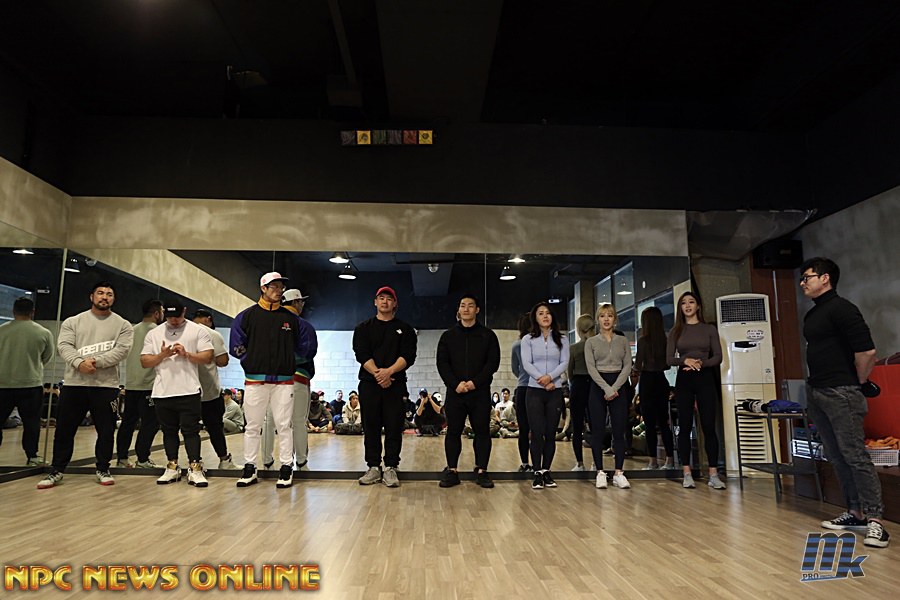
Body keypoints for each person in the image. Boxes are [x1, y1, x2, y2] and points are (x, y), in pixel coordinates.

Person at [801, 257, 888, 548]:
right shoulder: (813, 315)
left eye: (807, 277)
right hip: (817, 391)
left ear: (825, 278)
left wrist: (858, 382)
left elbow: (867, 352)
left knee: (855, 456)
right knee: (836, 455)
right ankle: (855, 512)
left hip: (842, 392)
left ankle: (875, 521)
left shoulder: (843, 309)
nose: (803, 283)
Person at [38, 281, 133, 489]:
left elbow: (122, 350)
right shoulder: (73, 321)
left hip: (106, 386)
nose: (104, 297)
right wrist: (79, 363)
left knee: (106, 431)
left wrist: (96, 362)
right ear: (92, 296)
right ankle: (57, 470)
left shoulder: (123, 325)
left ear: (113, 299)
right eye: (100, 293)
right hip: (74, 385)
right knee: (64, 430)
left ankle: (103, 468)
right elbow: (64, 345)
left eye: (109, 294)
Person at [230, 272, 315, 489]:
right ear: (263, 288)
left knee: (284, 425)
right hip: (254, 380)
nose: (278, 290)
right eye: (274, 286)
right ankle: (250, 467)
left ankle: (286, 467)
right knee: (253, 426)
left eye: (281, 287)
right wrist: (251, 361)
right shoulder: (246, 316)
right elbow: (236, 345)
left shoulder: (292, 320)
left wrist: (287, 360)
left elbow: (305, 348)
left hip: (284, 381)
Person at [141, 301, 214, 487]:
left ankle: (195, 467)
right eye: (170, 316)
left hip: (189, 390)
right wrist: (162, 355)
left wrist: (187, 354)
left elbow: (208, 356)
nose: (173, 320)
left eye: (177, 316)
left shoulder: (198, 331)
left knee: (191, 431)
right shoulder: (154, 333)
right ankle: (172, 467)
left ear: (185, 312)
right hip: (162, 391)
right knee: (168, 431)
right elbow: (144, 361)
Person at [352, 286, 417, 488]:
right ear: (375, 302)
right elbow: (361, 354)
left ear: (395, 303)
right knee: (370, 426)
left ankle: (390, 467)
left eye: (389, 298)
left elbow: (408, 356)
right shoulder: (363, 328)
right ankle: (373, 467)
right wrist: (378, 374)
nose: (385, 301)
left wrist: (389, 372)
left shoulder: (405, 329)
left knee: (393, 427)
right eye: (381, 298)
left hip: (395, 385)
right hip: (369, 384)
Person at [436, 294, 501, 489]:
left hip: (479, 393)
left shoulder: (488, 335)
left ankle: (482, 471)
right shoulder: (448, 336)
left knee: (482, 432)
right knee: (453, 432)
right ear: (458, 309)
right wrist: (455, 384)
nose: (466, 309)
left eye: (470, 305)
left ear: (477, 310)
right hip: (455, 392)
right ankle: (452, 471)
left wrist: (474, 383)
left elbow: (492, 363)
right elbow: (442, 363)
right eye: (462, 305)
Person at [666, 291, 725, 490]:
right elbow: (669, 359)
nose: (688, 306)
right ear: (680, 308)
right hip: (684, 379)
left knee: (708, 425)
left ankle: (713, 474)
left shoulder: (709, 329)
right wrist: (685, 360)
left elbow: (718, 356)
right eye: (684, 303)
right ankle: (687, 472)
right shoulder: (675, 331)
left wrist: (701, 363)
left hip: (705, 377)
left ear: (698, 305)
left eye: (691, 302)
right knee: (684, 425)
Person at [261, 287, 317, 471]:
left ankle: (267, 462)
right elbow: (309, 352)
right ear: (296, 302)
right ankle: (301, 462)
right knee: (298, 421)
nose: (302, 305)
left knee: (269, 420)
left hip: (272, 378)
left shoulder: (269, 323)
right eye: (301, 301)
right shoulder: (304, 325)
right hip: (298, 377)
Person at [521, 302, 570, 490]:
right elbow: (527, 363)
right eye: (540, 313)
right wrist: (542, 379)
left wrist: (551, 377)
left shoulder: (562, 339)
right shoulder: (528, 339)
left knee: (550, 433)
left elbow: (564, 362)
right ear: (535, 317)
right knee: (537, 433)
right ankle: (536, 472)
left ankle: (546, 470)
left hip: (554, 390)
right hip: (534, 390)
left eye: (548, 313)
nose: (545, 316)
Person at [0, 297, 54, 466]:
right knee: (31, 424)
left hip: (2, 384)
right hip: (31, 384)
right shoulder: (44, 333)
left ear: (13, 311)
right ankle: (32, 456)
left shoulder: (1, 330)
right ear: (33, 312)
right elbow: (46, 357)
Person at [585, 304, 634, 489]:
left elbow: (627, 366)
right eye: (602, 316)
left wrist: (615, 388)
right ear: (598, 320)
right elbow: (591, 368)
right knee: (597, 431)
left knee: (619, 430)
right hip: (598, 385)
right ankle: (600, 472)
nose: (606, 319)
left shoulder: (623, 340)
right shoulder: (591, 342)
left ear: (615, 319)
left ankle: (619, 472)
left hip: (619, 384)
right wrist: (606, 388)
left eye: (610, 315)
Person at [116, 299, 164, 468]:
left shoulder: (131, 330)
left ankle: (122, 458)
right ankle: (142, 459)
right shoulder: (158, 332)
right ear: (157, 313)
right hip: (148, 386)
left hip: (130, 385)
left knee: (128, 423)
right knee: (150, 424)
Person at [192, 308, 238, 469]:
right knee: (214, 428)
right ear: (208, 319)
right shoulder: (212, 334)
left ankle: (192, 463)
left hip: (185, 391)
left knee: (188, 430)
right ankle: (224, 460)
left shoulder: (183, 332)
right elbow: (223, 361)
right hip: (208, 391)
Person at [634, 306, 675, 470]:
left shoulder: (643, 341)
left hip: (647, 382)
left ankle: (653, 462)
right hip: (661, 380)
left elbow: (638, 365)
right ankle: (670, 460)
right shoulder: (665, 340)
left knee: (649, 424)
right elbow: (668, 365)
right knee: (664, 423)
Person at [567, 314, 594, 471]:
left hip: (578, 385)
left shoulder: (574, 348)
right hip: (593, 385)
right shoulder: (597, 345)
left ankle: (579, 463)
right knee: (595, 425)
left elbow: (569, 371)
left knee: (577, 427)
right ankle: (596, 463)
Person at [509, 313, 532, 472]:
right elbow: (514, 369)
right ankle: (529, 463)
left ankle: (527, 464)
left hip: (525, 387)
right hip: (529, 388)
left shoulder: (517, 345)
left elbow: (515, 369)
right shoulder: (518, 345)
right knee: (529, 429)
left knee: (526, 429)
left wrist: (524, 377)